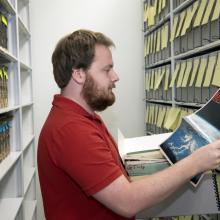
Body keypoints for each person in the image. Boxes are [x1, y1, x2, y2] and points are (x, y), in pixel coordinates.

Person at [37, 29, 220, 220]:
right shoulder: (71, 130)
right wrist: (196, 162)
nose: (115, 76)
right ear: (79, 74)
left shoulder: (84, 118)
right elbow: (127, 201)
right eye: (107, 69)